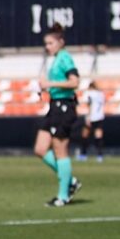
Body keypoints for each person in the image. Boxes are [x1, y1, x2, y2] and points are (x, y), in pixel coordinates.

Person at [32, 25, 81, 207]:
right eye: (46, 43)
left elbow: (75, 81)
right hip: (54, 106)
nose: (48, 46)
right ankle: (70, 181)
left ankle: (63, 196)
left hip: (64, 107)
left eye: (51, 43)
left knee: (60, 150)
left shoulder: (65, 58)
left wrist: (50, 83)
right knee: (40, 148)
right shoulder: (56, 59)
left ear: (61, 42)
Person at [76, 81, 106, 162]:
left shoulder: (89, 93)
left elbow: (89, 104)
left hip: (92, 117)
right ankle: (100, 156)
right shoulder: (101, 94)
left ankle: (83, 154)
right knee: (98, 136)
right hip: (100, 117)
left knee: (84, 135)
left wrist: (88, 117)